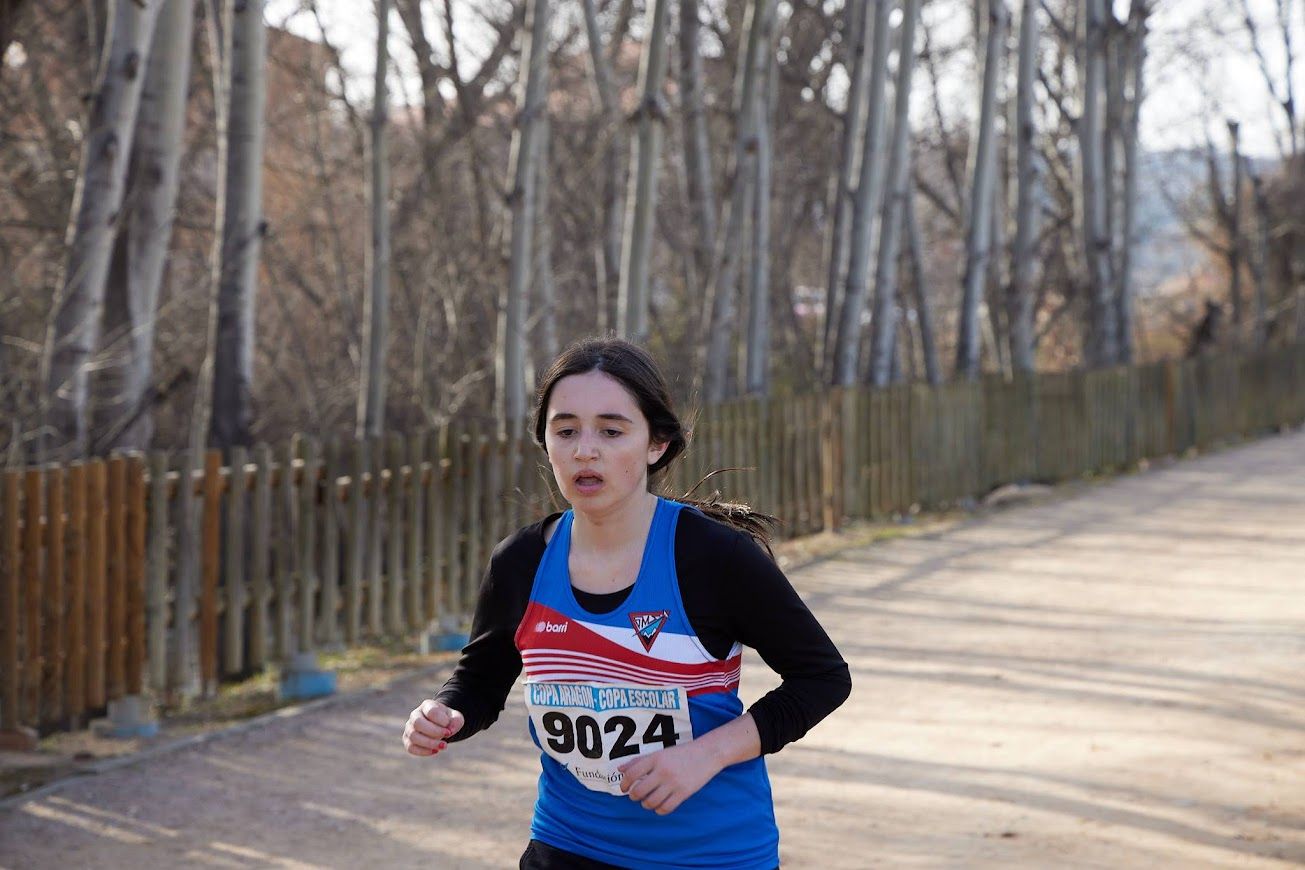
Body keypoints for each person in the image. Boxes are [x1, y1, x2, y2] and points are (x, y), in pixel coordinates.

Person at [402, 337, 851, 870]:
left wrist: (705, 755)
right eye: (565, 430)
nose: (584, 450)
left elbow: (822, 678)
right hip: (567, 845)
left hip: (710, 854)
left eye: (611, 431)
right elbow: (482, 677)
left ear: (656, 443)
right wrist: (445, 712)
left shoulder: (712, 556)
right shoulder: (520, 562)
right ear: (545, 442)